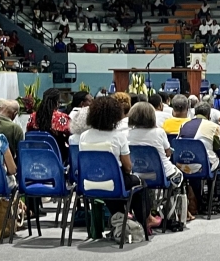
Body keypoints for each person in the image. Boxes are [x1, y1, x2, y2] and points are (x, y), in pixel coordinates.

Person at [77, 96, 150, 227]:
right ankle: (143, 221)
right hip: (114, 182)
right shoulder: (118, 136)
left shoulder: (84, 136)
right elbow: (128, 167)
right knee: (138, 183)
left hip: (88, 182)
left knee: (111, 183)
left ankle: (119, 216)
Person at [179, 102, 220, 212]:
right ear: (209, 115)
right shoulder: (214, 126)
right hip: (205, 167)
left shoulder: (184, 124)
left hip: (183, 166)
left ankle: (198, 200)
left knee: (194, 163)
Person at [28, 87, 70, 153]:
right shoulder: (62, 117)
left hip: (36, 151)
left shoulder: (33, 116)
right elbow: (69, 135)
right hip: (57, 153)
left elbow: (29, 132)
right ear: (56, 102)